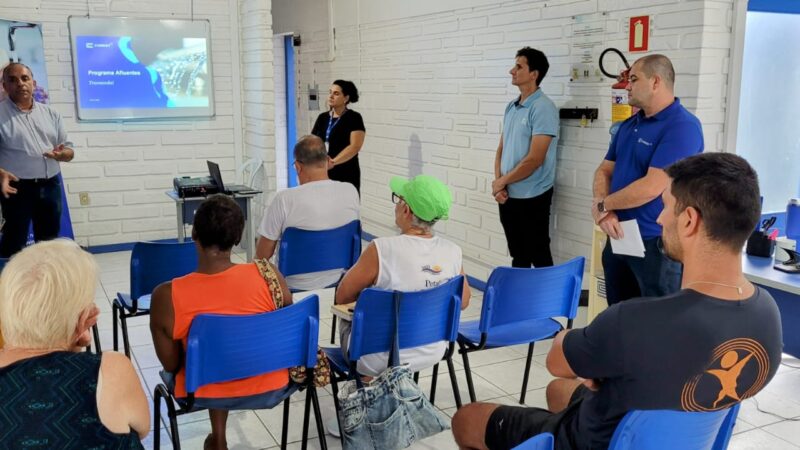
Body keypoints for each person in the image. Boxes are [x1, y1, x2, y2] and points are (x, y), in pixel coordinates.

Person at [452, 153, 783, 450]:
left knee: (467, 419)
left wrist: (592, 353)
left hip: (596, 441)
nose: (659, 219)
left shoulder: (636, 321)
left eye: (666, 206)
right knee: (558, 391)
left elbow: (557, 360)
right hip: (675, 436)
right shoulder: (767, 314)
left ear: (689, 221)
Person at [150, 194, 294, 450]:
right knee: (226, 353)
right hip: (272, 383)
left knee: (211, 361)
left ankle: (218, 438)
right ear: (238, 237)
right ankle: (219, 437)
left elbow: (171, 363)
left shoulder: (166, 296)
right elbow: (288, 329)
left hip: (202, 391)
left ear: (194, 234)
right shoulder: (270, 275)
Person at [0, 239, 149, 448]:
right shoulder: (111, 370)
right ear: (82, 319)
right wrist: (74, 342)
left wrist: (71, 338)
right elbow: (143, 428)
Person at [592, 54, 704, 305]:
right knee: (618, 317)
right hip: (620, 237)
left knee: (659, 326)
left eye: (633, 79)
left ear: (655, 82)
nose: (627, 86)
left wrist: (603, 205)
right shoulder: (629, 125)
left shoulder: (682, 127)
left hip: (658, 245)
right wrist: (604, 209)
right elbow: (604, 171)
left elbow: (651, 187)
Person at [335, 174, 471, 377]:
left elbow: (343, 297)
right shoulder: (453, 251)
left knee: (348, 314)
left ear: (406, 210)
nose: (396, 205)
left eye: (398, 200)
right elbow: (463, 301)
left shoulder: (381, 248)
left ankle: (369, 387)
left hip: (375, 360)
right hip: (432, 350)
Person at [256, 135, 360, 291]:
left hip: (291, 287)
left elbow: (262, 257)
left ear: (298, 166)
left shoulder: (284, 199)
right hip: (338, 282)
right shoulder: (350, 191)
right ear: (328, 161)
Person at [492, 47, 559, 268]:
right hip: (508, 194)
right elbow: (501, 148)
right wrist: (499, 184)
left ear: (534, 74)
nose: (512, 71)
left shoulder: (543, 108)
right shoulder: (511, 107)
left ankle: (547, 302)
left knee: (538, 254)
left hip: (533, 195)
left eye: (519, 66)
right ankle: (521, 301)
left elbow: (535, 159)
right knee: (518, 255)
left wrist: (502, 181)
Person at [0, 62, 74, 257]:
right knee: (13, 241)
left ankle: (45, 283)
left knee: (48, 242)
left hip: (50, 186)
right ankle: (8, 285)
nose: (20, 84)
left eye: (25, 78)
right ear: (4, 86)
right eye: (13, 80)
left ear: (33, 82)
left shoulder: (51, 114)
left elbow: (69, 150)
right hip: (17, 188)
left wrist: (62, 154)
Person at [311, 79, 366, 193]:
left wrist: (333, 162)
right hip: (323, 171)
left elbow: (355, 146)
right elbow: (313, 142)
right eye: (330, 92)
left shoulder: (354, 118)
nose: (331, 96)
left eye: (336, 93)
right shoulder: (322, 118)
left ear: (346, 98)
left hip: (346, 173)